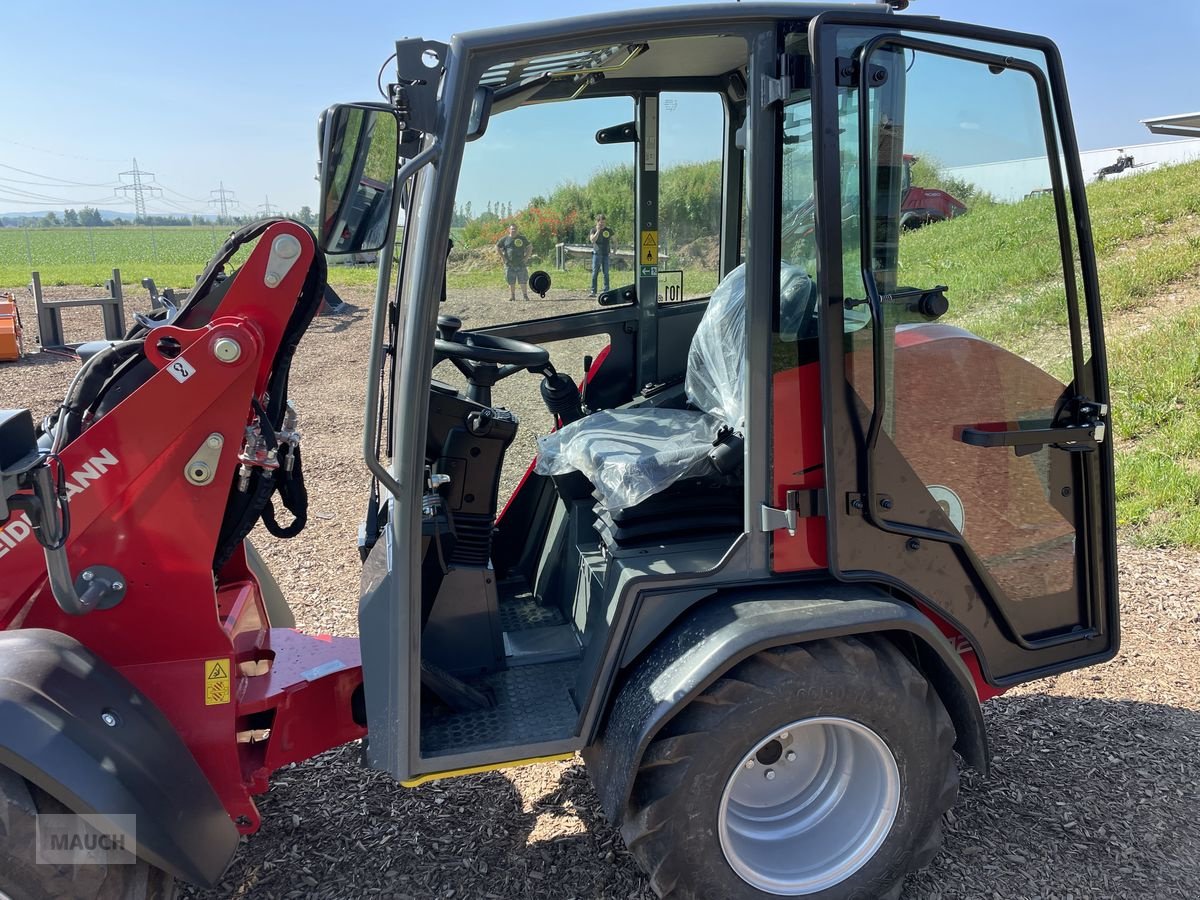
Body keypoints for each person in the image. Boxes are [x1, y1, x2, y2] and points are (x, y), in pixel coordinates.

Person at [495, 224, 531, 301]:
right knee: (511, 281)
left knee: (523, 280)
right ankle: (512, 296)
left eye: (515, 229)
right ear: (509, 230)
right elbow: (497, 247)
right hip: (509, 264)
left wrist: (526, 257)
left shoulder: (522, 238)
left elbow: (529, 247)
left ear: (517, 230)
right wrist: (503, 257)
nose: (513, 230)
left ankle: (525, 296)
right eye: (512, 229)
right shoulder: (505, 239)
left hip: (521, 263)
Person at [588, 214, 612, 296]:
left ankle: (606, 290)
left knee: (606, 273)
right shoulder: (593, 230)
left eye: (604, 223)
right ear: (597, 222)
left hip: (606, 255)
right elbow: (592, 240)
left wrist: (615, 251)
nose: (602, 224)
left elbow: (615, 239)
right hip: (597, 254)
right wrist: (598, 231)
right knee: (595, 273)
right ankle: (593, 291)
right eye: (601, 223)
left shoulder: (608, 230)